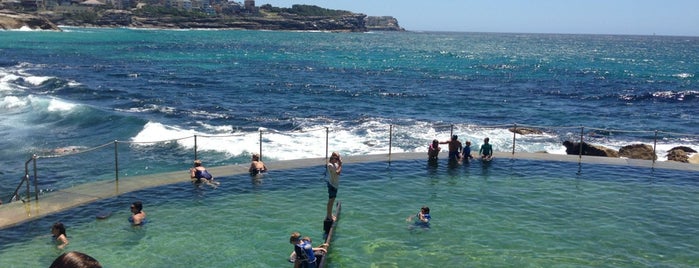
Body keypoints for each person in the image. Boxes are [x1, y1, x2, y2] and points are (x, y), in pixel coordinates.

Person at [326, 152, 342, 221]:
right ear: (332, 158)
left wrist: (339, 161)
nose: (337, 160)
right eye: (336, 158)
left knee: (332, 200)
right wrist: (340, 164)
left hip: (335, 185)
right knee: (331, 201)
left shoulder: (335, 163)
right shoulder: (330, 165)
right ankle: (329, 216)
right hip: (332, 185)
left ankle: (330, 214)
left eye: (337, 158)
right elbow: (338, 172)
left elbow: (338, 170)